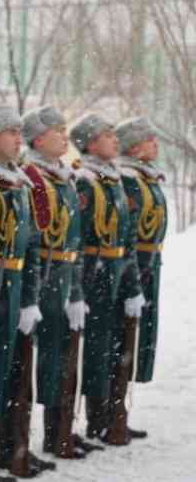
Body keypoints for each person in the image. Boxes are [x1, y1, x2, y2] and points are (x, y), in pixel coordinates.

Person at [0, 106, 48, 481]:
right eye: (11, 133)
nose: (19, 139)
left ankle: (11, 449)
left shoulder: (18, 180)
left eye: (21, 132)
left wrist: (31, 297)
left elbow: (32, 245)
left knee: (15, 373)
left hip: (16, 286)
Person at [21, 106, 96, 460]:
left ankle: (62, 428)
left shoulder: (63, 176)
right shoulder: (33, 177)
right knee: (48, 357)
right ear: (38, 139)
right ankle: (46, 435)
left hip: (66, 273)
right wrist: (32, 294)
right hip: (47, 275)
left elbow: (75, 240)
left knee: (67, 354)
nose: (64, 137)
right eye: (57, 131)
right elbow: (34, 239)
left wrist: (78, 291)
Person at [70, 113, 144, 444]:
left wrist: (132, 287)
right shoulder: (86, 181)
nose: (116, 140)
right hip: (95, 274)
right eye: (107, 134)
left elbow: (126, 239)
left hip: (116, 271)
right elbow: (80, 239)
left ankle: (114, 415)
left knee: (116, 346)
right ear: (90, 143)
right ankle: (96, 418)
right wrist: (79, 288)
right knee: (97, 349)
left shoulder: (113, 179)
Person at [116, 116, 166, 438]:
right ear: (134, 146)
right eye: (149, 139)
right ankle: (111, 416)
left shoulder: (147, 177)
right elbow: (129, 232)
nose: (155, 144)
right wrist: (134, 275)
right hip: (136, 267)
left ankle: (117, 412)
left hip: (150, 265)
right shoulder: (131, 179)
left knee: (137, 341)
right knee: (123, 341)